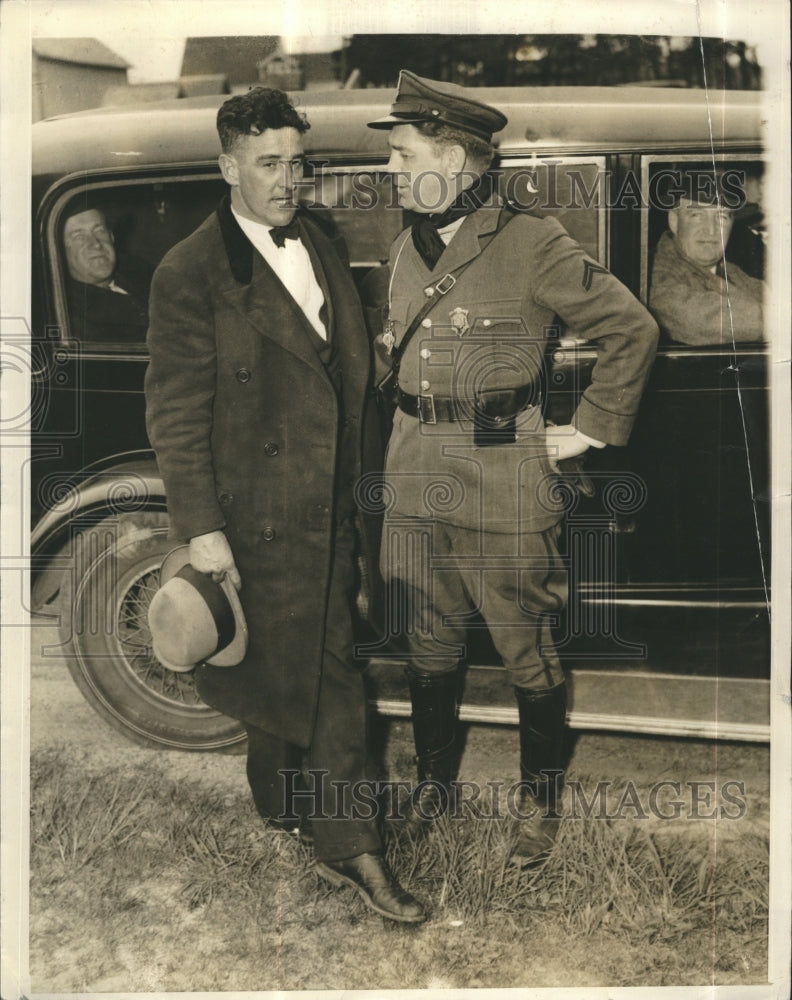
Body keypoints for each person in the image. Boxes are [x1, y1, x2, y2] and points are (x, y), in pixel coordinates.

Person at [144, 88, 425, 923]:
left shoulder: (320, 241)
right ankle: (356, 851)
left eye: (298, 164)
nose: (288, 180)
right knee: (322, 678)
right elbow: (176, 413)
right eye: (268, 164)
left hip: (331, 504)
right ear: (227, 165)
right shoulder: (189, 272)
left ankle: (284, 802)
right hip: (251, 520)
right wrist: (203, 531)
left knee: (301, 664)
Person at [366, 71, 659, 866]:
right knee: (428, 641)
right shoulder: (402, 246)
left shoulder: (532, 240)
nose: (389, 169)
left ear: (456, 158)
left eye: (400, 153)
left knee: (524, 645)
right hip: (414, 467)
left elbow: (632, 328)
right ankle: (434, 784)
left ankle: (537, 805)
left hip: (501, 470)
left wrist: (589, 430)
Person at [649, 194, 765, 344]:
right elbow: (694, 319)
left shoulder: (731, 271)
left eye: (722, 217)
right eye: (697, 215)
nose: (711, 230)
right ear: (674, 221)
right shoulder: (652, 272)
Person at [62, 205, 151, 343]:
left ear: (112, 236)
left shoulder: (139, 272)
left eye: (100, 231)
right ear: (59, 250)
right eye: (79, 236)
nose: (96, 244)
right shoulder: (69, 317)